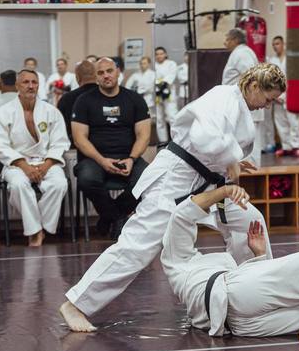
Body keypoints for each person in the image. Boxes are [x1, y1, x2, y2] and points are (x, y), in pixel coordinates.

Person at [60, 63, 285, 332]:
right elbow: (205, 138)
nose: (267, 106)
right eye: (268, 99)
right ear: (254, 86)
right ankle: (76, 304)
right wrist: (230, 159)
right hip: (174, 181)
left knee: (248, 220)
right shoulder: (222, 96)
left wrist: (231, 162)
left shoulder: (239, 106)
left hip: (206, 183)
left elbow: (217, 147)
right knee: (138, 246)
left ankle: (253, 293)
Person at [161, 185, 299, 346]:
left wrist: (259, 255)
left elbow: (246, 291)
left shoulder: (191, 272)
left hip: (237, 326)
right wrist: (225, 190)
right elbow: (182, 215)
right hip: (232, 293)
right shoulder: (176, 260)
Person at [71, 58, 151, 239]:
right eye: (100, 73)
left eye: (109, 71)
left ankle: (109, 217)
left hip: (129, 157)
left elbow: (144, 135)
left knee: (148, 179)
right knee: (86, 179)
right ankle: (117, 217)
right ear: (96, 77)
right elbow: (79, 138)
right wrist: (102, 161)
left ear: (118, 72)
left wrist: (131, 159)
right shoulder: (83, 101)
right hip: (94, 159)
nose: (106, 75)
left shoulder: (135, 99)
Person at [0, 69, 70, 247]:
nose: (30, 86)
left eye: (34, 82)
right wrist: (24, 166)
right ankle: (35, 232)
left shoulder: (51, 111)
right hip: (16, 163)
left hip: (46, 161)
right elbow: (0, 145)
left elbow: (60, 143)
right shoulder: (3, 112)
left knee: (59, 184)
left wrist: (46, 165)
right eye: (26, 82)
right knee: (18, 185)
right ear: (17, 85)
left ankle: (37, 227)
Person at [222, 29, 262, 166]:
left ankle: (254, 175)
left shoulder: (242, 53)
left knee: (250, 144)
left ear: (235, 40)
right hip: (242, 106)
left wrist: (252, 102)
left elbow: (253, 78)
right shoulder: (240, 53)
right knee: (244, 143)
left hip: (249, 106)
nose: (225, 43)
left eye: (227, 39)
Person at [268, 35, 299, 158]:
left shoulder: (291, 59)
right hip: (277, 96)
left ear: (283, 44)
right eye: (273, 44)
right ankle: (286, 147)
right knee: (280, 122)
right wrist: (274, 95)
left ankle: (297, 146)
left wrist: (288, 94)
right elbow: (270, 80)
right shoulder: (272, 61)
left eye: (277, 43)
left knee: (294, 121)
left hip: (291, 95)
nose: (275, 46)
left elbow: (296, 78)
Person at [58, 60, 99, 144]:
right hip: (103, 145)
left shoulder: (67, 98)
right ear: (96, 76)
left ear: (77, 78)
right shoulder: (106, 94)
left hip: (74, 145)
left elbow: (59, 127)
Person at [154, 47, 179, 143]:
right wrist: (157, 83)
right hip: (157, 94)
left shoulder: (171, 64)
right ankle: (163, 141)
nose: (159, 56)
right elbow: (152, 78)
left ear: (165, 54)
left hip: (169, 94)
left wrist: (162, 82)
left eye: (161, 54)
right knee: (159, 119)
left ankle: (176, 140)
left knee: (172, 117)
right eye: (157, 54)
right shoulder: (154, 65)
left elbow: (171, 76)